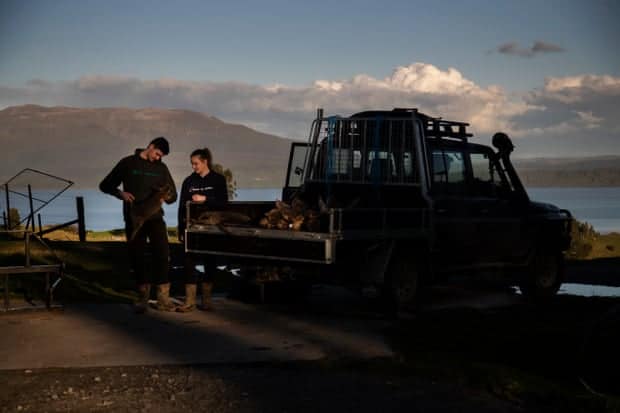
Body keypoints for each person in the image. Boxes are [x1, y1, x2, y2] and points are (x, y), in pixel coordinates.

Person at [99, 137, 178, 313]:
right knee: (138, 256)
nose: (158, 158)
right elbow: (105, 185)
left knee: (162, 254)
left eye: (161, 156)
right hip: (134, 218)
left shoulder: (161, 168)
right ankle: (142, 298)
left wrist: (168, 197)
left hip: (156, 218)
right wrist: (120, 193)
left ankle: (163, 299)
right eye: (157, 154)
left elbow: (174, 196)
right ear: (150, 146)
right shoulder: (128, 163)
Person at [176, 147, 228, 312]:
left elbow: (223, 203)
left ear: (205, 162)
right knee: (188, 262)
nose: (193, 167)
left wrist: (205, 199)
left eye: (196, 164)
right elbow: (181, 207)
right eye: (192, 164)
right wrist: (180, 228)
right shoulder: (189, 181)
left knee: (210, 262)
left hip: (211, 229)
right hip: (191, 228)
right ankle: (189, 301)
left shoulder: (218, 180)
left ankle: (206, 300)